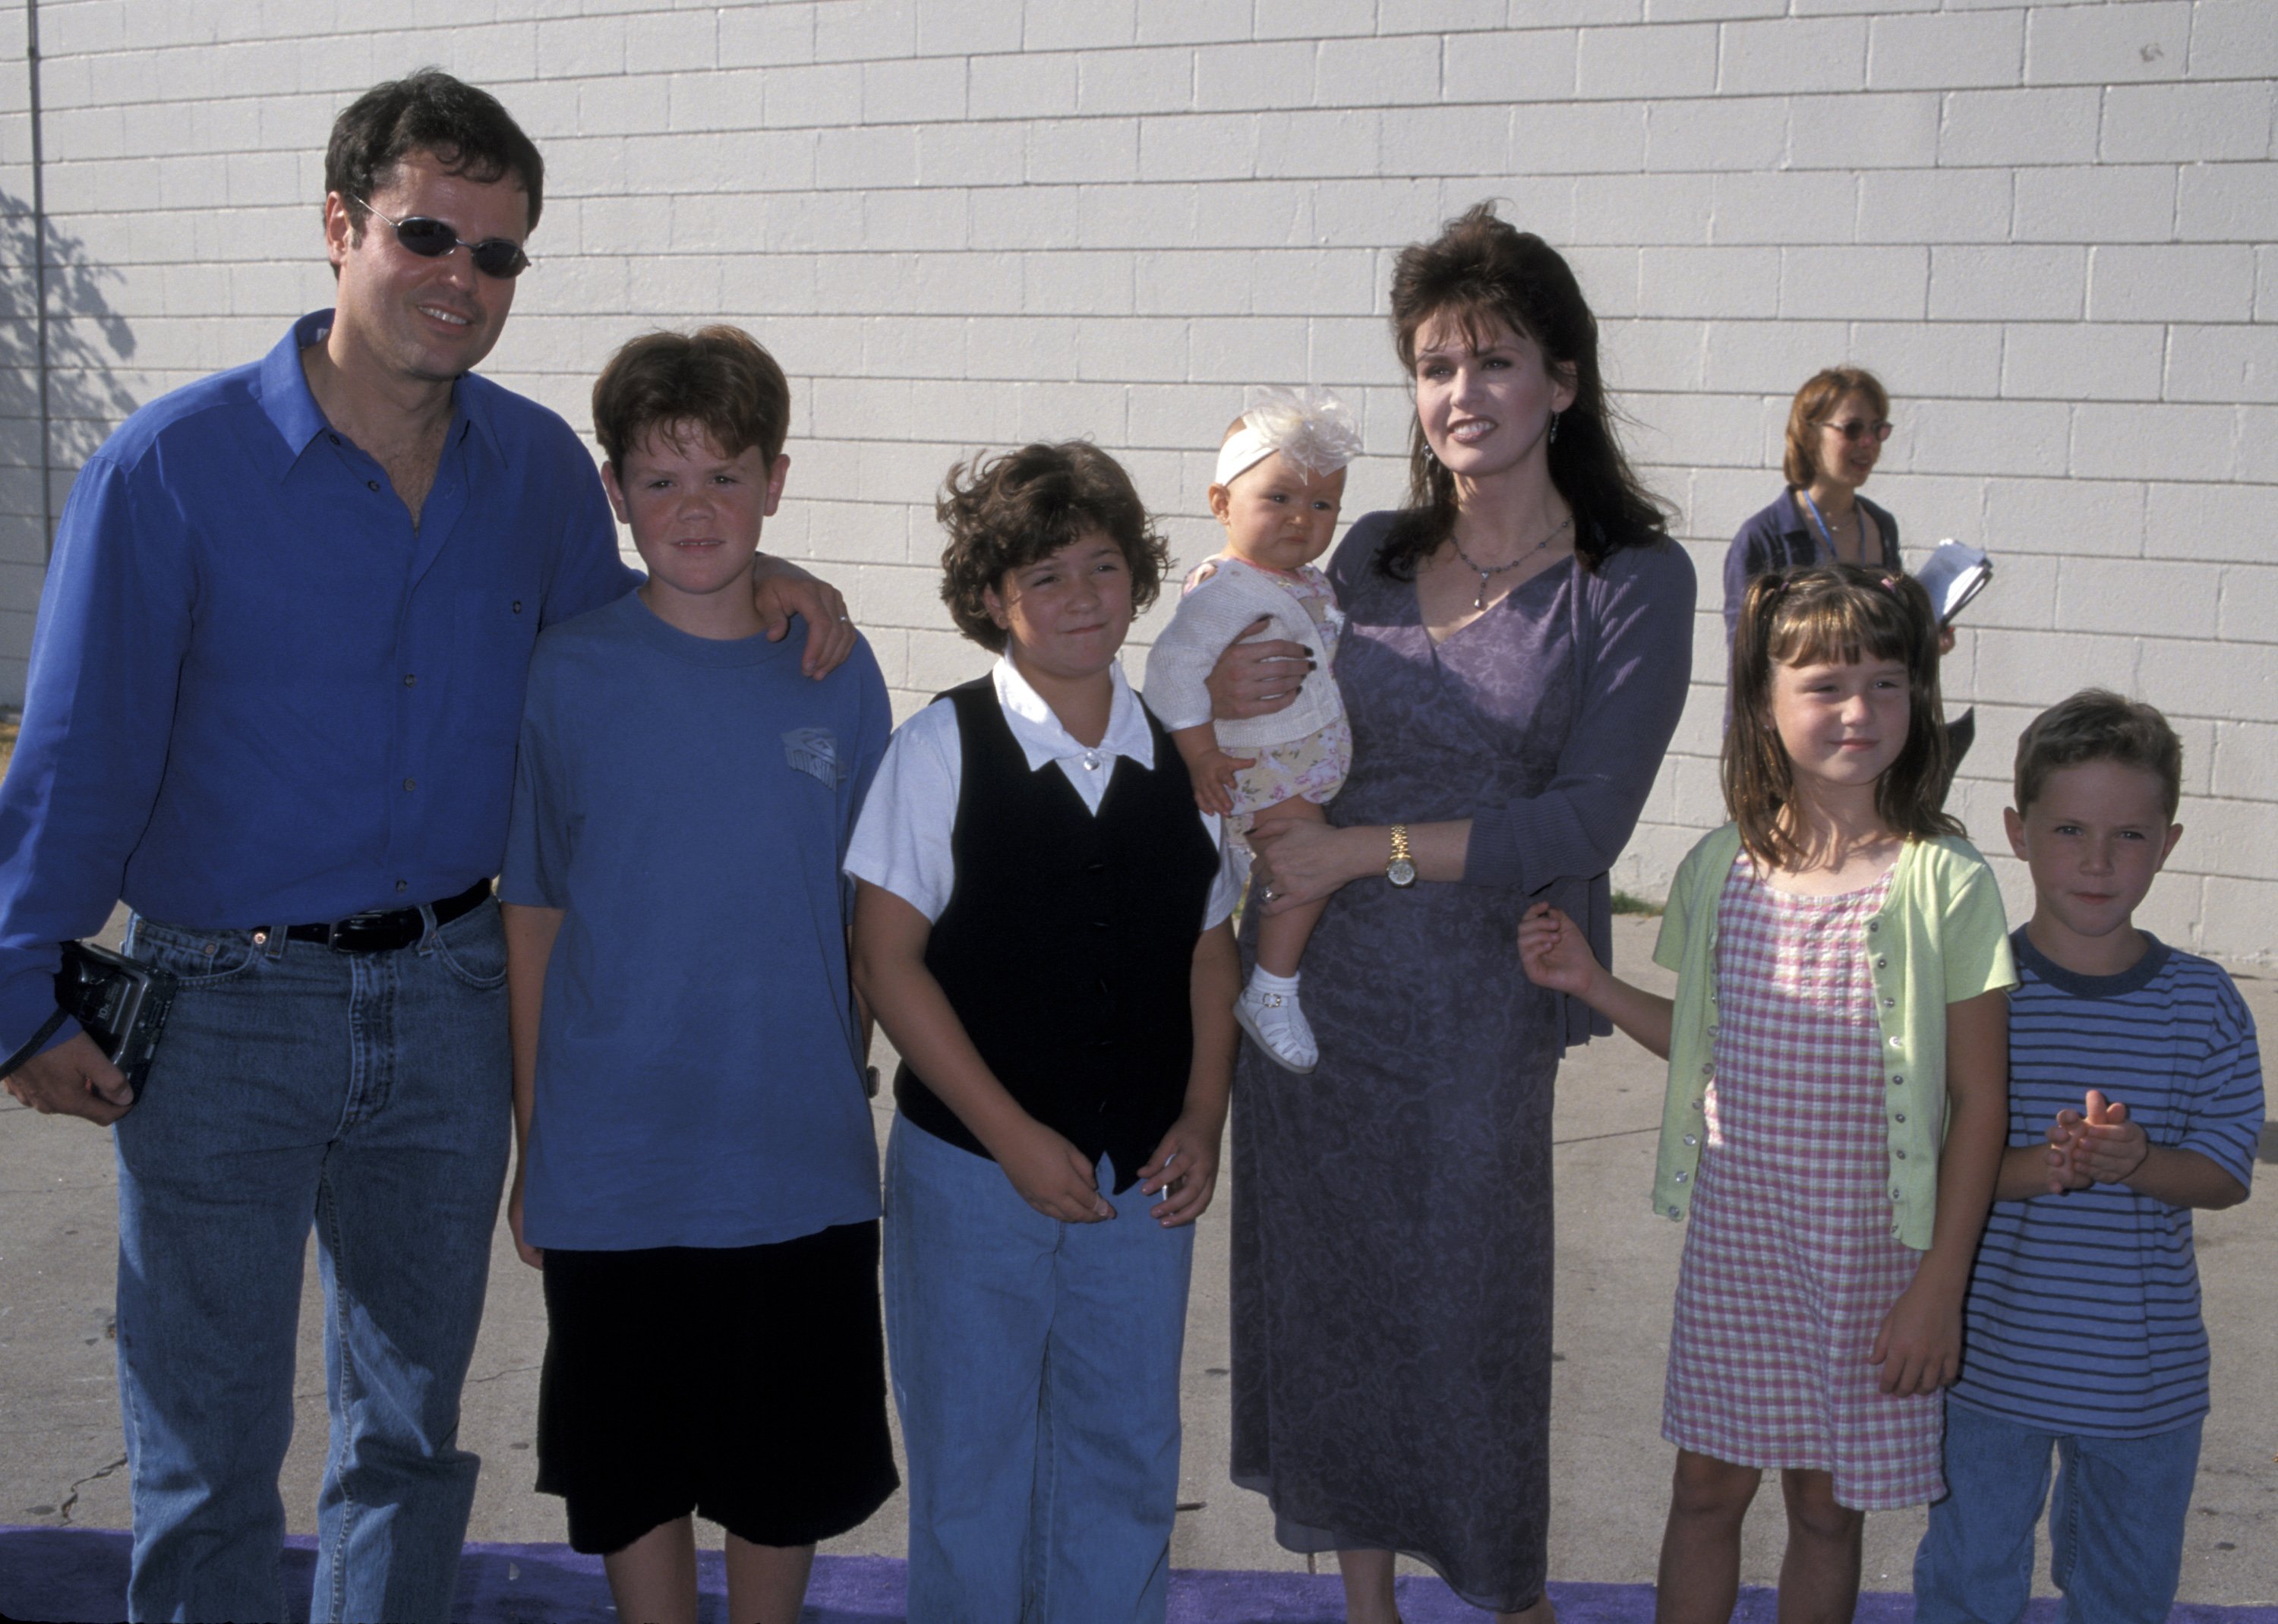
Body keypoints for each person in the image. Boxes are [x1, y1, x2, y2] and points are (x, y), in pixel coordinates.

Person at [0, 72, 851, 1624]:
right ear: (339, 226)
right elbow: (77, 756)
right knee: (206, 1446)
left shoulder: (532, 473)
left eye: (500, 253)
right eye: (428, 234)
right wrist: (23, 993)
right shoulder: (170, 470)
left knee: (407, 1442)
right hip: (222, 1016)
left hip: (455, 1005)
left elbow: (635, 618)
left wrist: (770, 563)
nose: (464, 277)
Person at [1209, 203, 1696, 1622]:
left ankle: (1506, 1597)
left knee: (1466, 1325)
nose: (1461, 394)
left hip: (1481, 1003)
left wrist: (1359, 853)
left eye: (1493, 360)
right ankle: (1366, 1604)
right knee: (1336, 1306)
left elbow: (1584, 821)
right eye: (1433, 365)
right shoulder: (1355, 551)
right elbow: (1262, 702)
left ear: (1563, 379)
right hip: (1310, 1000)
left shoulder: (1632, 582)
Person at [1519, 565, 2013, 1623]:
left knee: (1828, 1508)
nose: (1860, 710)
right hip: (1742, 1245)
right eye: (1828, 683)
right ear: (1764, 704)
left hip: (1877, 1257)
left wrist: (1940, 1284)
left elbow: (1980, 1103)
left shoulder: (1948, 881)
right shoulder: (1720, 869)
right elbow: (1705, 1046)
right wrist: (1597, 984)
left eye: (1888, 683)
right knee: (1707, 1487)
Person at [498, 326, 897, 1624]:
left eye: (725, 474)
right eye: (660, 479)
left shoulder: (836, 672)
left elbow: (870, 918)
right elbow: (535, 913)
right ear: (615, 493)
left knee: (783, 1470)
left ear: (777, 480)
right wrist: (535, 1137)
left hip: (794, 1151)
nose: (696, 508)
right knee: (632, 1468)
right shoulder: (570, 671)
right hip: (615, 1161)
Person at [847, 441, 1242, 1624]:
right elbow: (888, 957)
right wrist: (1011, 1133)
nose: (1083, 597)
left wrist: (1204, 1112)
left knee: (1123, 1453)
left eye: (1105, 567)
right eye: (1048, 575)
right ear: (992, 599)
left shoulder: (1184, 756)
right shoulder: (941, 749)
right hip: (974, 1172)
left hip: (1142, 1177)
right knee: (972, 1463)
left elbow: (1209, 944)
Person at [1913, 690, 2263, 1624]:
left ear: (2172, 840)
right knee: (1967, 1581)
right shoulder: (1974, 988)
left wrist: (2137, 1161)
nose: (2099, 862)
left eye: (2131, 836)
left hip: (2144, 1383)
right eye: (2070, 829)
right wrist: (2045, 1166)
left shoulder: (2204, 1002)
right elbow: (1914, 1160)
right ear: (2018, 833)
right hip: (1985, 1366)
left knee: (2124, 1595)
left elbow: (2226, 1174)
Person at [1142, 386, 1362, 1073]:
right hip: (1258, 768)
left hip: (1285, 759)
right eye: (1279, 498)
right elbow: (1171, 671)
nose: (1302, 518)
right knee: (1305, 865)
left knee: (1275, 871)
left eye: (1322, 504)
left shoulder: (1302, 579)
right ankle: (1272, 985)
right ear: (1221, 505)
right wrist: (1201, 754)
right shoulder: (1226, 588)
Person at [1723, 366, 1974, 767]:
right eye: (1853, 429)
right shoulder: (1763, 536)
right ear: (1809, 434)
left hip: (1866, 741)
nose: (1869, 443)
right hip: (1793, 750)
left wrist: (1922, 639)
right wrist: (1753, 763)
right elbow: (1748, 663)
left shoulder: (1881, 525)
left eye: (1878, 429)